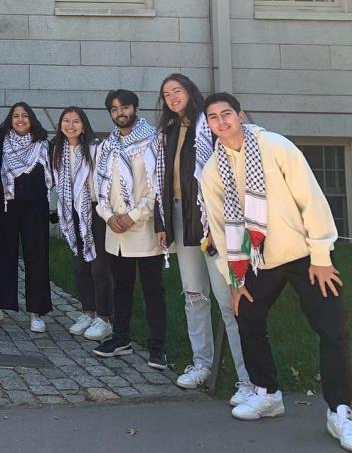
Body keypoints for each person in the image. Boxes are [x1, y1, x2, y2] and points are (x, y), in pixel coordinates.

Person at [201, 93, 352, 444]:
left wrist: (321, 256)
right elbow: (221, 230)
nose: (222, 122)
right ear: (208, 125)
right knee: (248, 316)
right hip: (259, 260)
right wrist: (235, 281)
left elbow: (310, 197)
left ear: (240, 115)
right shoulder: (212, 170)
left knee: (332, 327)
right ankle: (267, 394)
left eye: (227, 114)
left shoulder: (274, 146)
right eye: (213, 118)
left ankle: (340, 410)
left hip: (303, 255)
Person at [153, 74, 253, 403]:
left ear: (189, 92)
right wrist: (161, 221)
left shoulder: (207, 125)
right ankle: (201, 363)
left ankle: (248, 378)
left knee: (228, 300)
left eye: (177, 90)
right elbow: (160, 180)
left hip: (213, 221)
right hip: (180, 218)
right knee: (193, 294)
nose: (171, 97)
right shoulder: (166, 131)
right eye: (166, 94)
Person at [93, 89, 168, 370]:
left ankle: (157, 346)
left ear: (135, 108)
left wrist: (133, 216)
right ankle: (121, 338)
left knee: (152, 289)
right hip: (115, 228)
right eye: (114, 109)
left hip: (144, 227)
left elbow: (156, 187)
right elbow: (98, 188)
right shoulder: (107, 147)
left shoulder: (152, 141)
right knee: (121, 286)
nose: (119, 113)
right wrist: (108, 216)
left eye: (124, 107)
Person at [0, 102, 54, 333]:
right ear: (9, 120)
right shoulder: (0, 145)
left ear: (32, 119)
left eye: (25, 116)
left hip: (35, 208)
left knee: (36, 258)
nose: (20, 120)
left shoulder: (44, 146)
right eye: (15, 116)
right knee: (2, 255)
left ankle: (37, 312)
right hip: (6, 206)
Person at [52, 107, 113, 342]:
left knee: (99, 266)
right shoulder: (57, 150)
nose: (70, 125)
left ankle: (105, 317)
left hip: (95, 211)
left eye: (75, 121)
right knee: (80, 265)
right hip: (72, 212)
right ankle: (87, 311)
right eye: (66, 121)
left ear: (84, 125)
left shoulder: (96, 148)